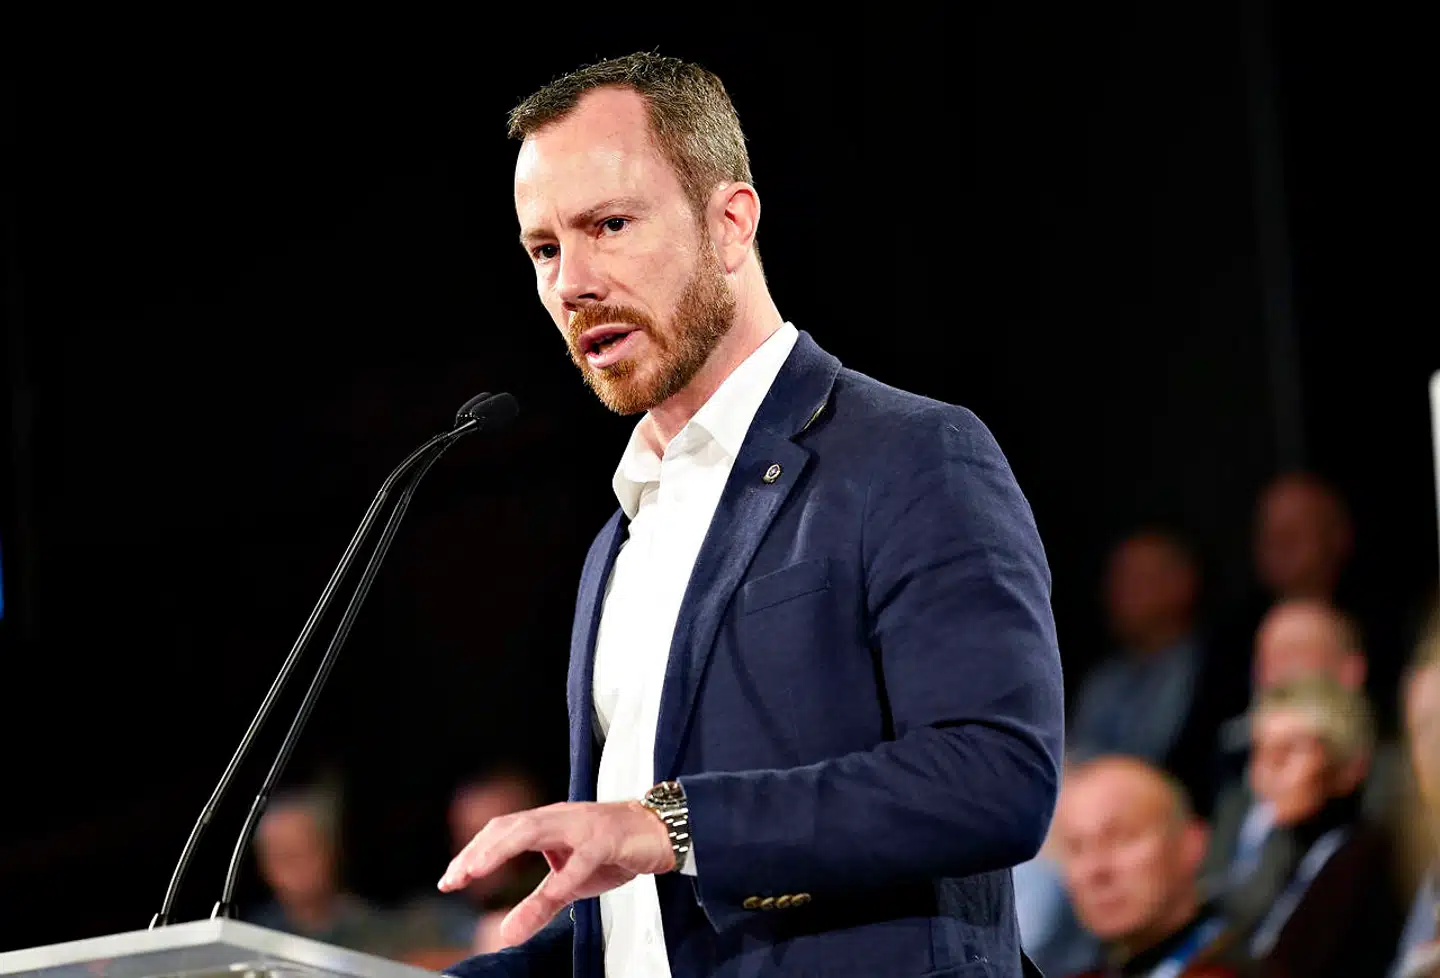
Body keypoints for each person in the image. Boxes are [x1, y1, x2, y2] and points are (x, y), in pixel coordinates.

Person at [440, 51, 1063, 978]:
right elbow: (646, 922)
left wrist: (670, 823)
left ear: (731, 222)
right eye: (544, 249)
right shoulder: (620, 538)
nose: (571, 282)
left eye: (609, 225)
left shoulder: (909, 455)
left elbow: (995, 777)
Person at [1222, 675, 1404, 978]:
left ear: (1350, 767)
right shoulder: (1286, 855)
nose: (1266, 769)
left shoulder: (1369, 866)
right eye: (1260, 750)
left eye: (1289, 750)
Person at [1050, 755, 1236, 978]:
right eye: (1076, 847)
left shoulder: (1250, 964)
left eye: (1121, 838)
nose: (1095, 869)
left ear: (1191, 842)